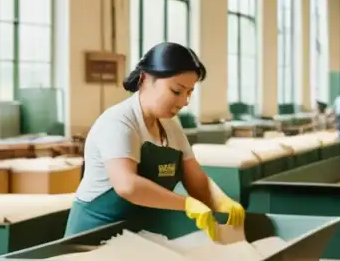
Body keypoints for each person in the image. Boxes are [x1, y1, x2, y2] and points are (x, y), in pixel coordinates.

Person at [65, 42, 245, 240]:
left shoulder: (172, 127)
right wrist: (186, 203)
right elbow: (128, 186)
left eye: (189, 92)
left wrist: (221, 201)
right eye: (177, 91)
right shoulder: (119, 122)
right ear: (144, 79)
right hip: (93, 238)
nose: (184, 101)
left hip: (136, 238)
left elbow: (197, 181)